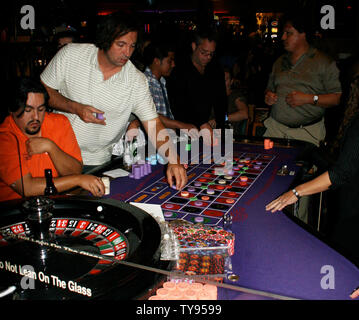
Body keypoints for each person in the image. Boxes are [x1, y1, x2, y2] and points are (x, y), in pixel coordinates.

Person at [40, 11, 187, 190]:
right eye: (121, 44)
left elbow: (154, 124)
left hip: (99, 162)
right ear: (105, 39)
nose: (127, 52)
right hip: (55, 155)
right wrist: (74, 107)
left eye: (132, 46)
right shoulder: (70, 55)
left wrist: (173, 159)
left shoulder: (136, 80)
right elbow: (42, 91)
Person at [266, 75, 359, 265]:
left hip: (354, 213)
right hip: (351, 206)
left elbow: (341, 173)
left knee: (343, 264)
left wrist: (295, 192)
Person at [0, 77, 105, 202]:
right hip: (17, 210)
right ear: (12, 110)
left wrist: (51, 147)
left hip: (55, 202)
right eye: (28, 110)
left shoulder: (59, 122)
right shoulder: (4, 138)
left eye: (41, 109)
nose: (36, 117)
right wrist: (78, 180)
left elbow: (74, 170)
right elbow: (27, 188)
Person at [263, 12, 342, 147]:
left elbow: (336, 98)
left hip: (307, 133)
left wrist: (308, 99)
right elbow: (269, 89)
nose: (283, 37)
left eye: (288, 33)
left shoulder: (324, 62)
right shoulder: (279, 61)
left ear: (303, 34)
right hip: (275, 129)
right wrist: (268, 96)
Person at [127, 41, 198, 138]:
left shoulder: (162, 81)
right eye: (170, 61)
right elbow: (151, 115)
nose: (173, 65)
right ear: (156, 61)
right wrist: (180, 125)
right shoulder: (144, 82)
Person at [167, 28, 227, 136]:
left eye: (211, 54)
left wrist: (219, 125)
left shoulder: (216, 69)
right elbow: (178, 107)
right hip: (189, 133)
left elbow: (221, 101)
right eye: (204, 53)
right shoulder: (179, 71)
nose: (208, 57)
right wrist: (201, 123)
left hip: (215, 131)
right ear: (194, 46)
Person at [209, 68, 249, 137]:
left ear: (231, 81)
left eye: (225, 80)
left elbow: (244, 114)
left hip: (228, 134)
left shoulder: (236, 96)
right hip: (209, 132)